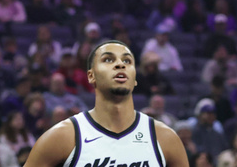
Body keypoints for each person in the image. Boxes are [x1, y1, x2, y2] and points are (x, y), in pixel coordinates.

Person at [23, 40, 188, 167]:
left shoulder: (165, 138)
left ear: (135, 78)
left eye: (127, 61)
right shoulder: (61, 137)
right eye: (108, 60)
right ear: (91, 76)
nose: (120, 64)